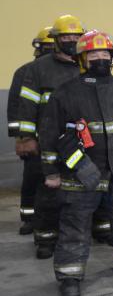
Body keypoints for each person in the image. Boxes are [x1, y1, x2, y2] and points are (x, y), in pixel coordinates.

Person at [39, 30, 113, 296]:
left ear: (112, 57)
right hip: (80, 177)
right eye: (94, 54)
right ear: (82, 58)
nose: (100, 58)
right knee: (74, 227)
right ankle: (70, 277)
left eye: (105, 53)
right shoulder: (65, 93)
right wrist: (51, 172)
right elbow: (49, 135)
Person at [16, 15, 85, 259]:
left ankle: (82, 233)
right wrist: (26, 137)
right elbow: (26, 106)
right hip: (47, 141)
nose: (72, 41)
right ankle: (45, 239)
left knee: (82, 189)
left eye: (76, 37)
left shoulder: (84, 64)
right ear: (56, 40)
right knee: (48, 192)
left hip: (82, 142)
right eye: (66, 37)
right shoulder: (38, 69)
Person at [7, 26, 54, 235]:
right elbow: (16, 108)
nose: (51, 50)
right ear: (39, 48)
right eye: (47, 47)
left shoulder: (70, 68)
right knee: (33, 178)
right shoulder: (25, 71)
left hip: (59, 138)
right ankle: (29, 217)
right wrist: (22, 137)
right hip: (34, 138)